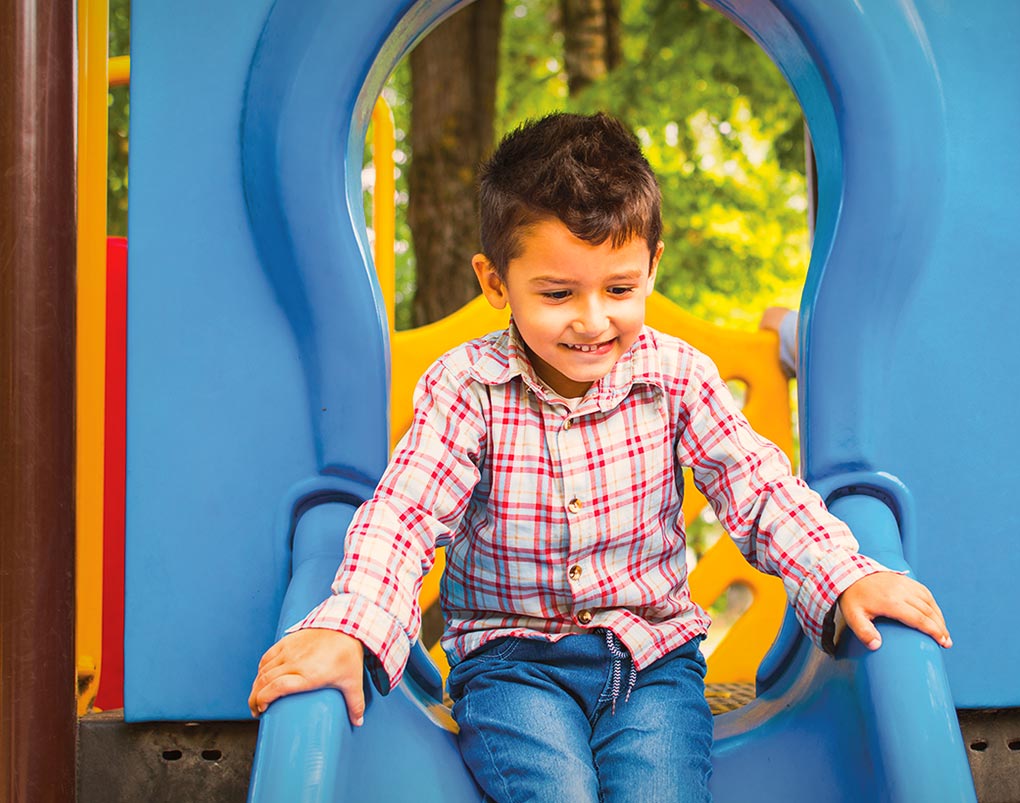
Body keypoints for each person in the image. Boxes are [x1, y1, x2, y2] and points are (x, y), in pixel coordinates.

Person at [248, 112, 952, 802]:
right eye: (557, 293)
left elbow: (759, 489)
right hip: (512, 666)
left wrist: (843, 576)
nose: (591, 319)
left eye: (618, 288)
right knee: (555, 788)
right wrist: (351, 628)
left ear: (652, 266)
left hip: (653, 663)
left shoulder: (675, 376)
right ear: (495, 283)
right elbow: (403, 516)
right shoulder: (468, 388)